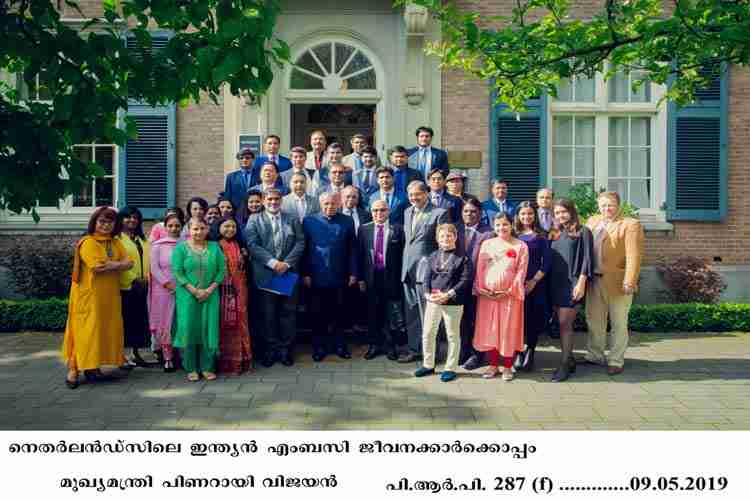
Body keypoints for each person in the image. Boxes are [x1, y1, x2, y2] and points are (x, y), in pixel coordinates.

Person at [62, 207, 133, 389]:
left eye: (110, 222)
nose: (105, 225)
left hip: (109, 297)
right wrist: (119, 264)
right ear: (94, 222)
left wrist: (112, 264)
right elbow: (97, 267)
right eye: (102, 221)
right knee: (86, 332)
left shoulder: (115, 242)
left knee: (102, 332)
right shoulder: (88, 242)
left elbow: (129, 262)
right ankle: (73, 369)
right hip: (89, 297)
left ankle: (92, 368)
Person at [585, 191, 644, 376]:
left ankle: (616, 360)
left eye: (610, 205)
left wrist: (630, 280)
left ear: (618, 205)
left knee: (618, 322)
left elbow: (634, 254)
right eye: (603, 205)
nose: (606, 208)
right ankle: (595, 355)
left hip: (618, 282)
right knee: (594, 320)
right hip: (594, 280)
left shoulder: (630, 224)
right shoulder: (592, 222)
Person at [246, 188, 305, 367]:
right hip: (266, 273)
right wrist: (273, 263)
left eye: (276, 199)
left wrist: (286, 264)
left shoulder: (292, 218)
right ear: (264, 201)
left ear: (281, 200)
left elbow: (300, 242)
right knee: (268, 314)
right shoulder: (254, 219)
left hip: (287, 273)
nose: (273, 202)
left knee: (287, 313)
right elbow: (252, 244)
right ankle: (270, 350)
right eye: (269, 199)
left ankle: (285, 350)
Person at [302, 192, 358, 362]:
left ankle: (340, 345)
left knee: (340, 313)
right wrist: (305, 273)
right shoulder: (309, 221)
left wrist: (353, 272)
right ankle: (319, 347)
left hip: (340, 276)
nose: (329, 207)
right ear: (320, 204)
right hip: (316, 276)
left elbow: (353, 250)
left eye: (333, 203)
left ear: (339, 203)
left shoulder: (347, 221)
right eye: (326, 204)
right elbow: (303, 249)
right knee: (318, 314)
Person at [473, 212, 529, 381]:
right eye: (497, 225)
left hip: (509, 296)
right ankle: (492, 365)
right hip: (488, 296)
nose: (501, 228)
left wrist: (509, 290)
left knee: (507, 330)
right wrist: (482, 288)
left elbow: (521, 272)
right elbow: (480, 268)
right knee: (491, 330)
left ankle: (507, 366)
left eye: (505, 224)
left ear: (512, 225)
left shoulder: (520, 246)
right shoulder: (487, 244)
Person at [399, 180, 449, 363]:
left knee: (429, 315)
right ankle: (414, 350)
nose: (414, 198)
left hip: (427, 273)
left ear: (426, 193)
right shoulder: (407, 212)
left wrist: (437, 271)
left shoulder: (439, 213)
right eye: (411, 195)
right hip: (408, 271)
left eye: (417, 194)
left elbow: (442, 245)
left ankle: (432, 354)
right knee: (412, 313)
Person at [415, 223, 472, 382]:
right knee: (428, 333)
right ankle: (428, 364)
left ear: (455, 237)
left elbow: (465, 280)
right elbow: (426, 277)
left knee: (452, 335)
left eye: (449, 235)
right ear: (437, 238)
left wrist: (448, 294)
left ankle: (450, 368)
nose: (445, 239)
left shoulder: (463, 258)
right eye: (442, 236)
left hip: (453, 301)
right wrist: (427, 295)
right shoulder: (433, 255)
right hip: (433, 300)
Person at [172, 218, 225, 382]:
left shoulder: (215, 248)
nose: (199, 232)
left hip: (211, 295)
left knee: (208, 329)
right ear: (188, 230)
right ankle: (191, 367)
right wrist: (194, 290)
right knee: (189, 329)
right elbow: (177, 272)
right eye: (195, 229)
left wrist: (209, 289)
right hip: (187, 296)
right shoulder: (180, 248)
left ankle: (207, 367)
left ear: (207, 229)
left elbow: (222, 270)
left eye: (202, 228)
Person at [548, 198, 593, 382]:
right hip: (555, 283)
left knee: (565, 323)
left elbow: (588, 259)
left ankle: (565, 364)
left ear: (572, 211)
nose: (560, 215)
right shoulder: (554, 233)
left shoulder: (583, 232)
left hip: (572, 283)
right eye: (557, 213)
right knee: (560, 324)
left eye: (563, 211)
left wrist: (582, 281)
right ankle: (571, 359)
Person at [356, 200, 405, 361]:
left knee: (390, 312)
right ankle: (374, 345)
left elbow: (402, 256)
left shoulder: (398, 230)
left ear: (388, 211)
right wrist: (361, 279)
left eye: (382, 210)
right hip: (371, 277)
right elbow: (360, 256)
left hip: (390, 277)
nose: (379, 214)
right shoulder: (364, 229)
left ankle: (390, 345)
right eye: (375, 210)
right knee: (372, 312)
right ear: (371, 211)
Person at [513, 201, 552, 372]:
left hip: (535, 285)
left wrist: (534, 281)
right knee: (516, 320)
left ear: (534, 215)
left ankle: (530, 351)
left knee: (532, 320)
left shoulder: (541, 236)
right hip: (514, 285)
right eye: (523, 214)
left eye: (529, 214)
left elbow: (547, 262)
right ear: (518, 216)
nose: (526, 217)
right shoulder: (512, 234)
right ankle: (518, 351)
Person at [455, 197, 493, 370]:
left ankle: (477, 355)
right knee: (462, 320)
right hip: (458, 284)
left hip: (478, 284)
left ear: (480, 213)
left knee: (477, 320)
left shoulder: (488, 233)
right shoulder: (455, 229)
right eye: (466, 211)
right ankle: (463, 351)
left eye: (473, 211)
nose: (469, 214)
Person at [216, 216, 252, 375]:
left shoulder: (240, 245)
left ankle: (241, 360)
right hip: (221, 291)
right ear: (218, 227)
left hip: (241, 290)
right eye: (226, 226)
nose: (230, 229)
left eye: (233, 227)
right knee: (224, 323)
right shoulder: (214, 246)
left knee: (241, 323)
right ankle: (225, 362)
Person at [117, 206, 152, 368]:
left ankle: (136, 353)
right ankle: (121, 356)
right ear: (121, 219)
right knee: (125, 321)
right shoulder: (117, 239)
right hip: (126, 286)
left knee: (139, 321)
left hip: (143, 285)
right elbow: (119, 263)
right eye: (128, 217)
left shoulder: (142, 239)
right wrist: (133, 279)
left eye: (135, 218)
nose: (132, 220)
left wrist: (147, 278)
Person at [149, 210, 183, 372]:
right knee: (166, 322)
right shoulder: (157, 246)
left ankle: (181, 355)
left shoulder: (187, 244)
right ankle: (167, 357)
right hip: (163, 290)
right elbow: (154, 268)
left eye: (177, 225)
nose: (174, 228)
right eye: (170, 225)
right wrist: (168, 284)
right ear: (165, 227)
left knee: (181, 322)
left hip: (185, 289)